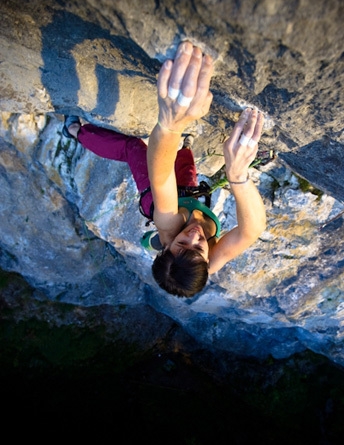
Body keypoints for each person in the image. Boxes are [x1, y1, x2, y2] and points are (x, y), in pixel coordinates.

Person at [63, 40, 266, 298]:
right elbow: (252, 230)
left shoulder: (168, 223)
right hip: (187, 198)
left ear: (168, 245)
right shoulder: (206, 263)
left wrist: (170, 125)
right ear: (206, 261)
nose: (193, 236)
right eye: (199, 246)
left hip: (158, 200)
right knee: (187, 169)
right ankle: (185, 146)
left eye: (182, 244)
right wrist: (238, 176)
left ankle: (76, 132)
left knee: (135, 149)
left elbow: (161, 177)